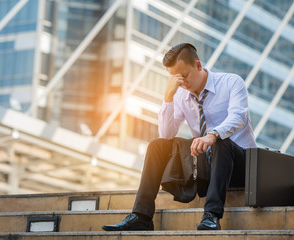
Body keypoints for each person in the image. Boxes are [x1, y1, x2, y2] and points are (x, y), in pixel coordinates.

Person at [102, 43, 257, 231]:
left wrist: (212, 135)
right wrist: (168, 96)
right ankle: (141, 216)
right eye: (175, 78)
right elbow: (166, 134)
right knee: (157, 145)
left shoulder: (231, 82)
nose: (182, 82)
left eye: (184, 75)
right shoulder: (180, 94)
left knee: (221, 141)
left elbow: (238, 117)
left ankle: (212, 215)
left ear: (198, 66)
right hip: (206, 165)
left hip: (240, 165)